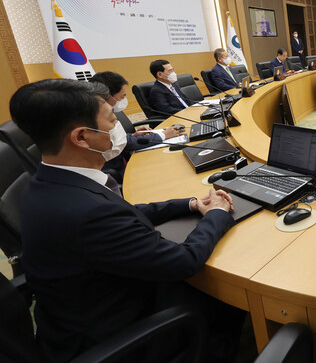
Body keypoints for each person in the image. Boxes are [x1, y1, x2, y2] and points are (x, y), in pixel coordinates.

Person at [10, 79, 242, 362]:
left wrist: (191, 204)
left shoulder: (48, 182)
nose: (119, 129)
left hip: (83, 309)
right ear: (81, 137)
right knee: (234, 287)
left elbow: (125, 210)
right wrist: (217, 213)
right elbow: (184, 262)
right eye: (111, 121)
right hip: (123, 330)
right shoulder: (88, 213)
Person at [89, 71, 181, 183]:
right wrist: (163, 135)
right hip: (117, 172)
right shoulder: (96, 119)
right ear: (108, 96)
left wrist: (132, 135)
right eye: (122, 96)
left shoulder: (104, 111)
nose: (123, 100)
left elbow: (120, 138)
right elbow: (123, 143)